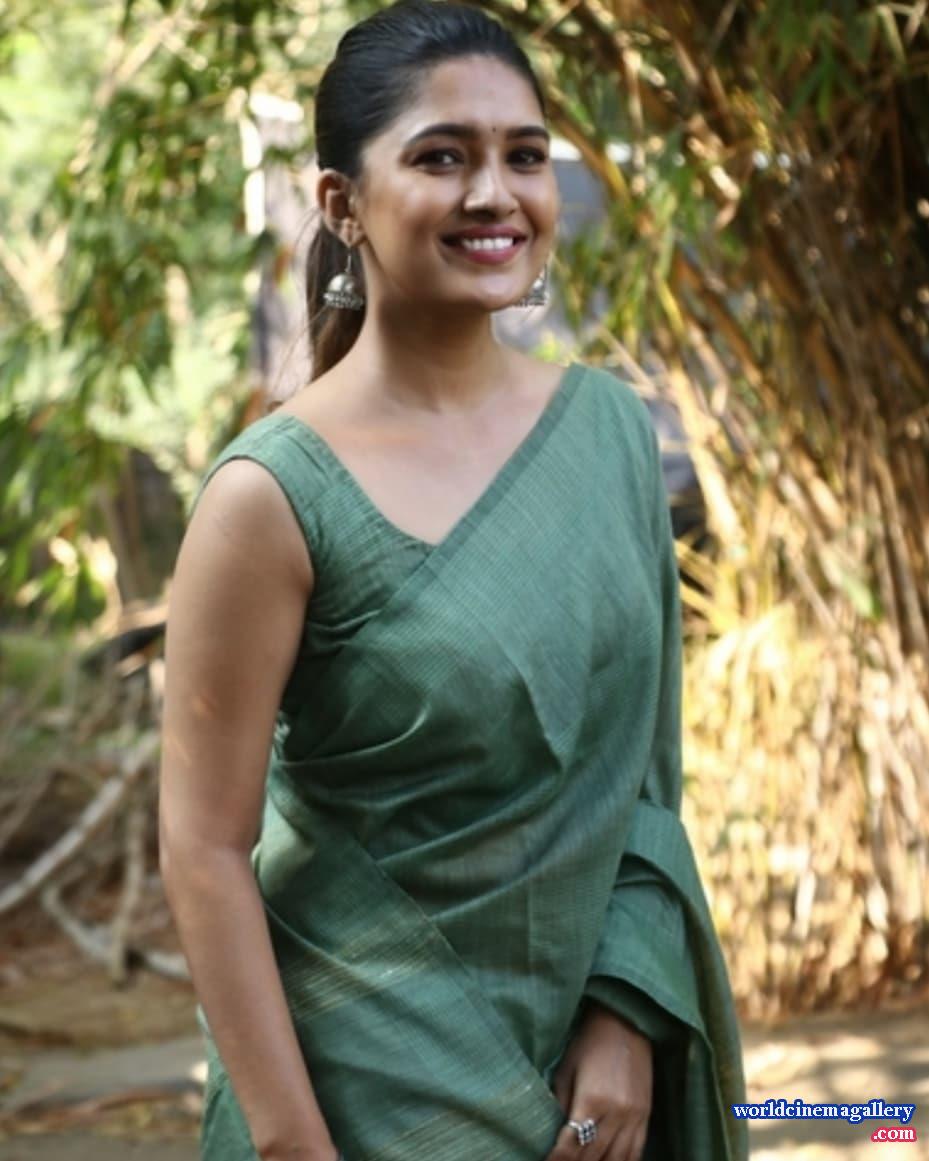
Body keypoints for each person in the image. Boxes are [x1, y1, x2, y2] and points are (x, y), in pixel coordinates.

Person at [158, 2, 748, 1159]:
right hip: (363, 1095)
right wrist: (293, 1145)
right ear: (341, 203)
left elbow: (641, 769)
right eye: (441, 157)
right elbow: (204, 851)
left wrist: (626, 1007)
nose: (495, 194)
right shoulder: (271, 495)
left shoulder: (606, 436)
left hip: (591, 1094)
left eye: (522, 156)